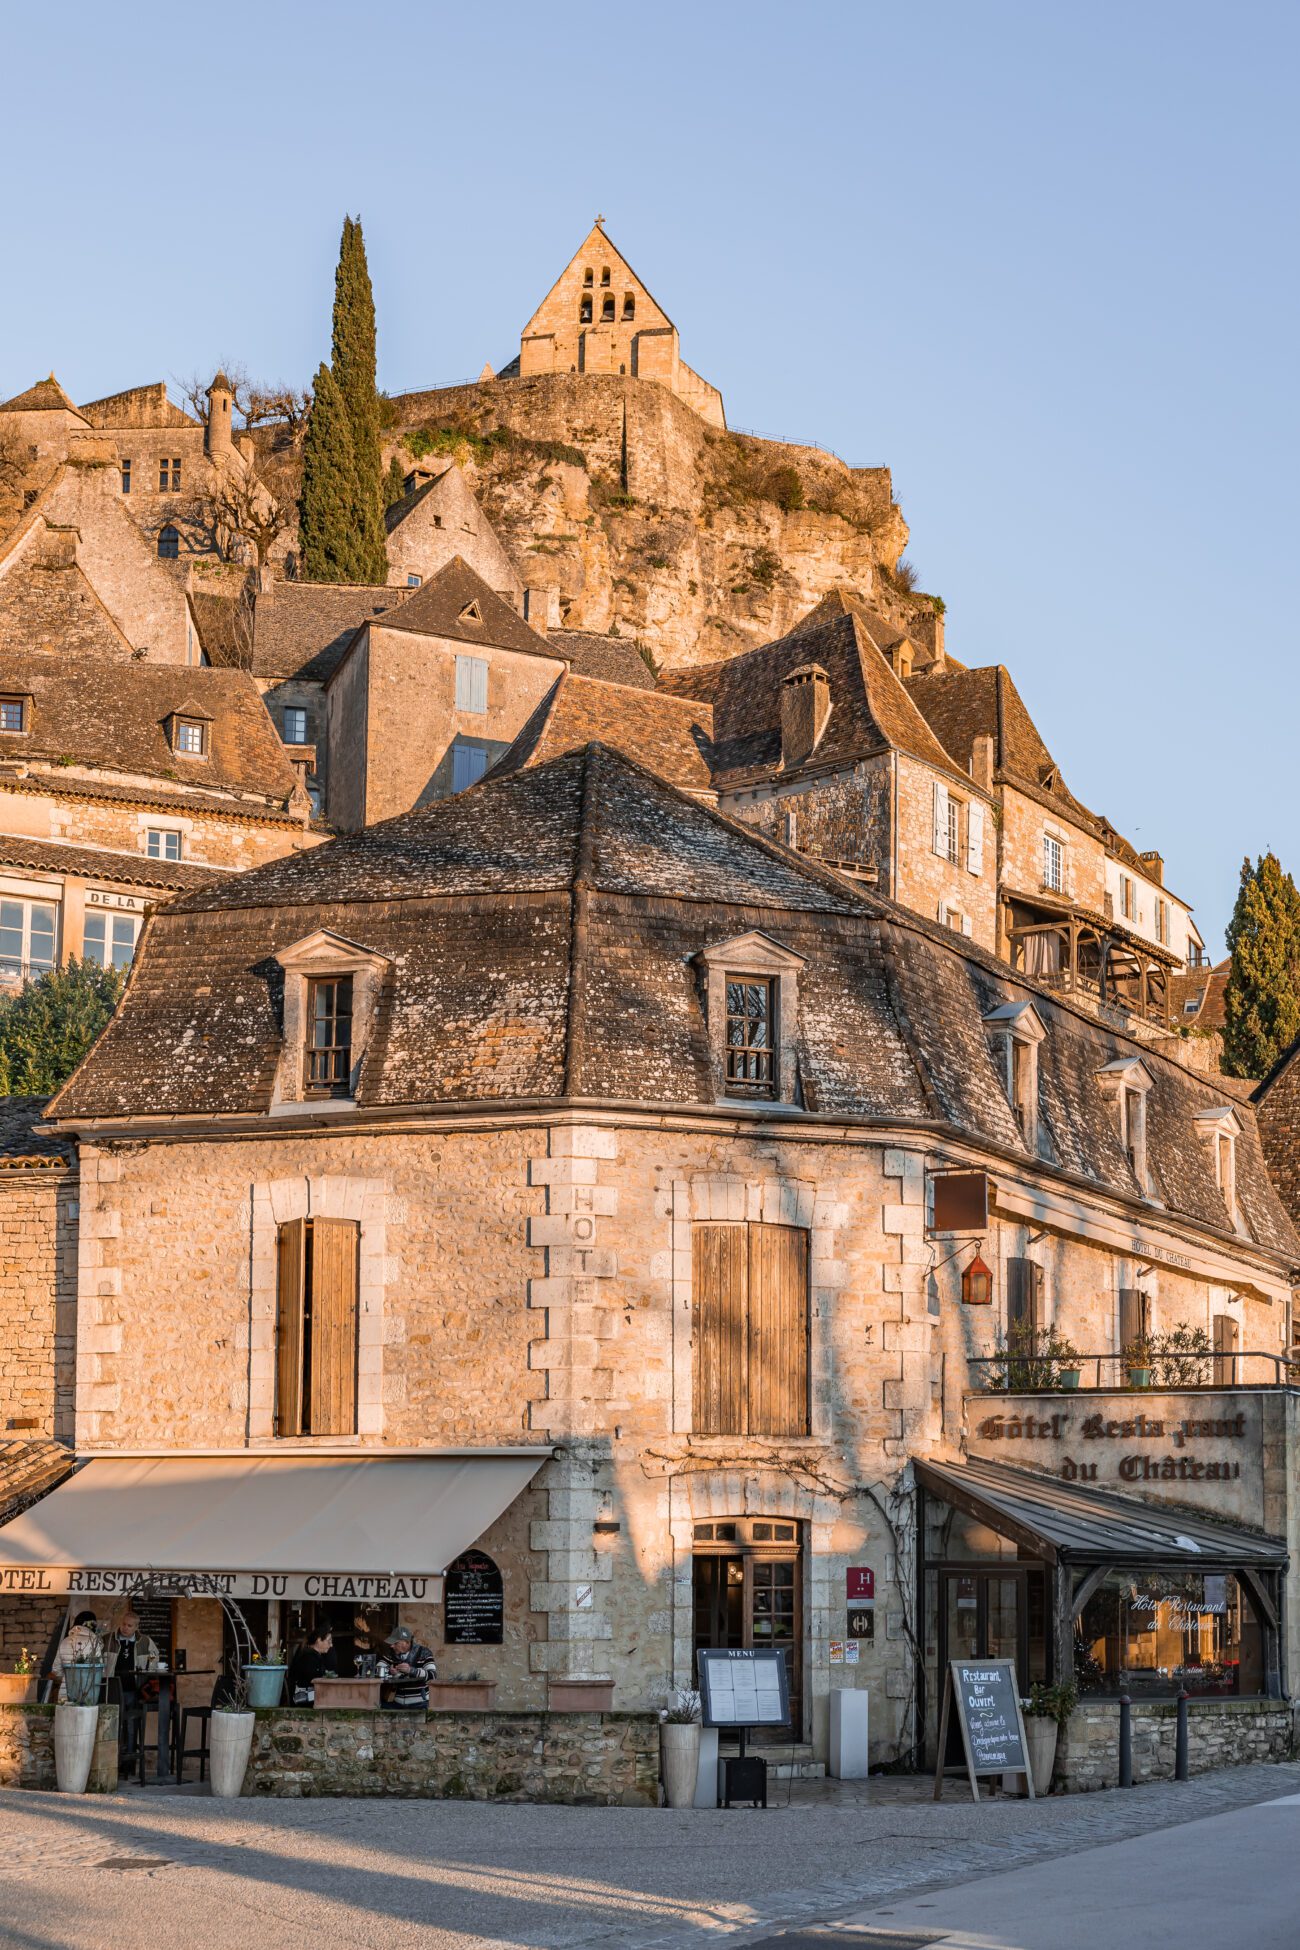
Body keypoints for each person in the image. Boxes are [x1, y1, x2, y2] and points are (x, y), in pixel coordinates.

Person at [381, 1625, 436, 1709]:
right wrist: (390, 1672)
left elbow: (432, 1676)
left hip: (419, 1703)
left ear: (406, 1642)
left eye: (395, 1643)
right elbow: (378, 1669)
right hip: (396, 1702)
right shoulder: (391, 1653)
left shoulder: (424, 1652)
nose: (391, 1646)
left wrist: (411, 1670)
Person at [52, 1611, 102, 1698]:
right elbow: (99, 1670)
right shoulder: (94, 1643)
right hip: (87, 1692)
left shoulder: (65, 1641)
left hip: (65, 1691)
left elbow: (56, 1671)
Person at [287, 1623, 338, 1705]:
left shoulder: (313, 1655)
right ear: (318, 1640)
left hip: (310, 1695)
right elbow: (315, 1679)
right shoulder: (308, 1657)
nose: (331, 1645)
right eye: (329, 1641)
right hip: (303, 1698)